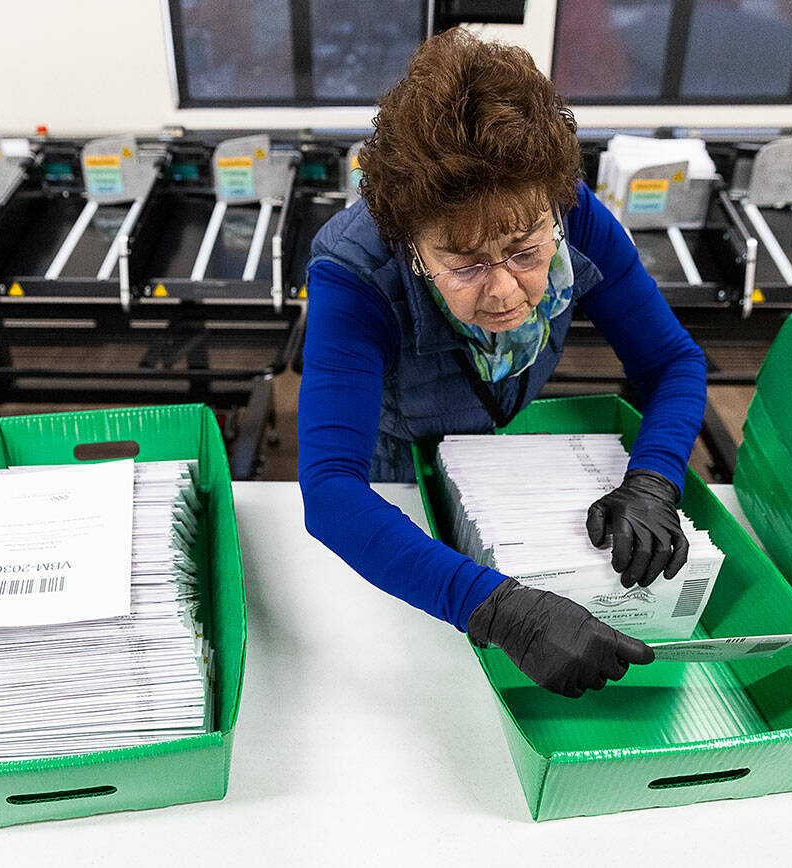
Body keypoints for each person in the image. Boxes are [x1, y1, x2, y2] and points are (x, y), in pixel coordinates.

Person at [297, 30, 707, 698]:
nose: (506, 291)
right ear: (412, 248)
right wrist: (498, 611)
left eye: (524, 251)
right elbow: (331, 493)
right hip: (396, 483)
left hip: (500, 466)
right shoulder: (355, 274)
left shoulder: (575, 216)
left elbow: (675, 362)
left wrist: (655, 477)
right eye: (464, 264)